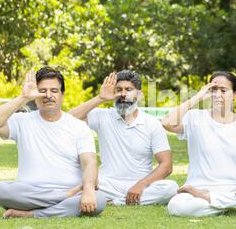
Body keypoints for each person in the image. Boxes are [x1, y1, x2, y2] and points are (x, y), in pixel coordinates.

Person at [0, 67, 107, 218]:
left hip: (66, 191)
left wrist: (88, 189)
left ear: (62, 95)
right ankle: (63, 199)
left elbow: (90, 163)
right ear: (35, 95)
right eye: (42, 91)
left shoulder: (78, 126)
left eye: (54, 91)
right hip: (32, 192)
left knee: (99, 199)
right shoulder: (22, 121)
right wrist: (23, 97)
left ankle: (31, 214)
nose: (48, 95)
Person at [162, 71, 236, 217]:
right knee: (177, 206)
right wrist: (198, 96)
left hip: (235, 190)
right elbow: (167, 122)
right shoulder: (195, 118)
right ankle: (234, 207)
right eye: (213, 90)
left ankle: (211, 202)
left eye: (223, 90)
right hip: (198, 189)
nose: (217, 95)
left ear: (235, 94)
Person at [68, 70, 177, 206]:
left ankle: (115, 202)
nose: (123, 94)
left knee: (170, 188)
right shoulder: (103, 116)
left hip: (141, 185)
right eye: (118, 90)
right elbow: (67, 119)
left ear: (139, 94)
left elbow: (166, 166)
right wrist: (100, 98)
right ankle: (123, 200)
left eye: (129, 89)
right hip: (106, 184)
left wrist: (140, 185)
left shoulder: (152, 123)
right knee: (79, 181)